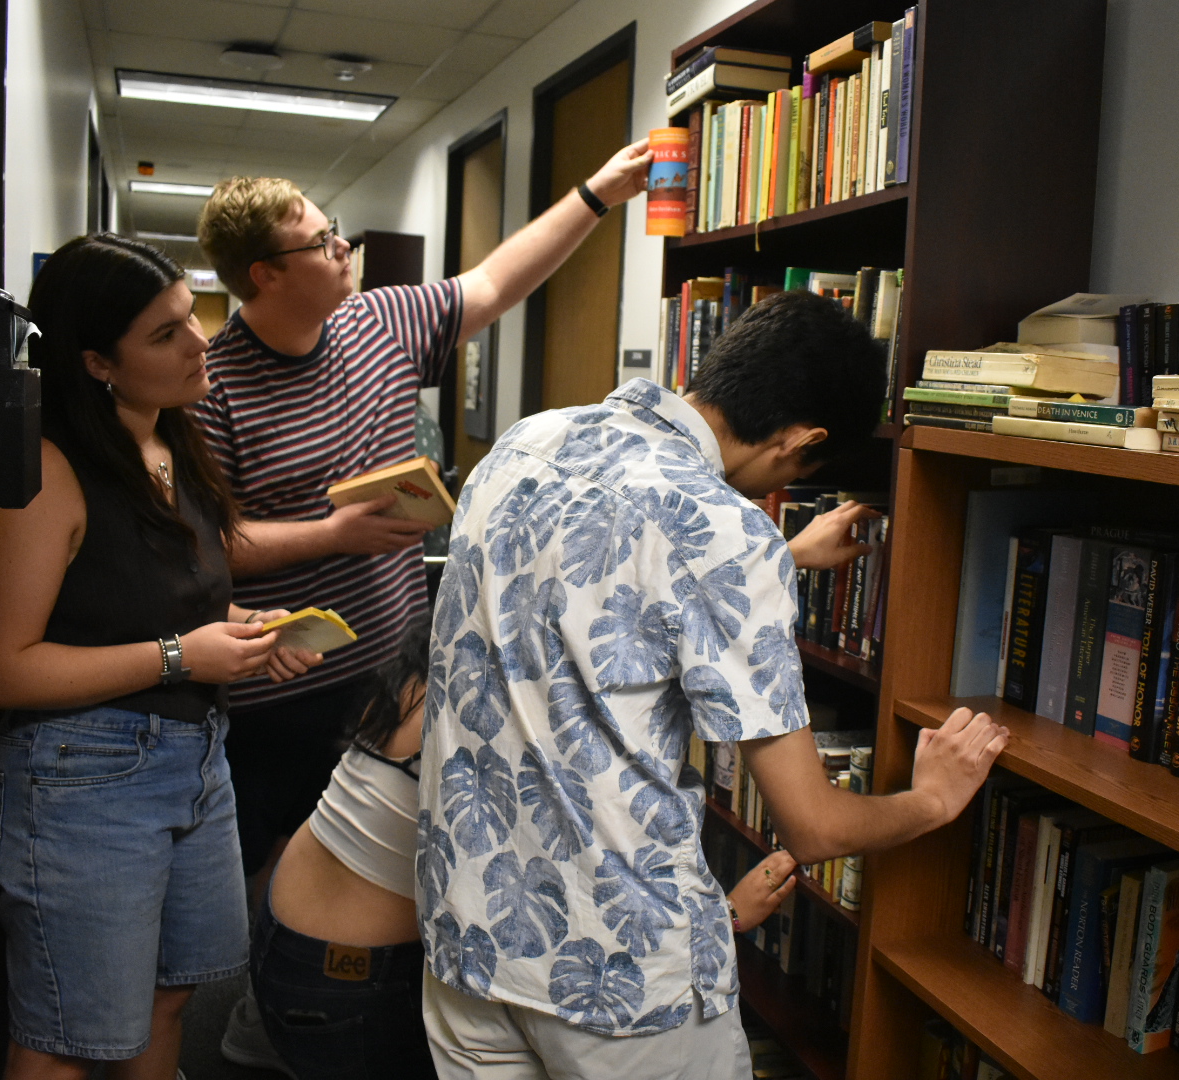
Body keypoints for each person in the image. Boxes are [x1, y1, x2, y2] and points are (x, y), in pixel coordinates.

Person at [417, 289, 1011, 1078]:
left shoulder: (529, 442)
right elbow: (815, 827)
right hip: (617, 973)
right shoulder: (727, 535)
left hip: (469, 930)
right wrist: (933, 800)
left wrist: (781, 560)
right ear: (804, 438)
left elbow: (584, 602)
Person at [192, 139, 653, 1065]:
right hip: (274, 697)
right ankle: (254, 1042)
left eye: (337, 235)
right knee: (268, 895)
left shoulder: (381, 323)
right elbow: (209, 545)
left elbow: (492, 283)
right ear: (263, 276)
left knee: (394, 890)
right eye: (322, 243)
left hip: (390, 688)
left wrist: (596, 195)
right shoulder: (215, 387)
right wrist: (333, 534)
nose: (342, 253)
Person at [0, 235, 320, 1080]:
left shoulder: (171, 446)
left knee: (170, 1000)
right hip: (84, 779)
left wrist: (239, 633)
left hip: (194, 760)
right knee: (69, 1040)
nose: (200, 343)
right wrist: (179, 657)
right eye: (164, 336)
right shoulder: (46, 471)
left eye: (188, 318)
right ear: (96, 363)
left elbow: (147, 601)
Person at [254, 622, 801, 1080]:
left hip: (285, 940)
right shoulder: (499, 722)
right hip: (351, 989)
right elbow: (585, 891)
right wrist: (723, 917)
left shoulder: (439, 662)